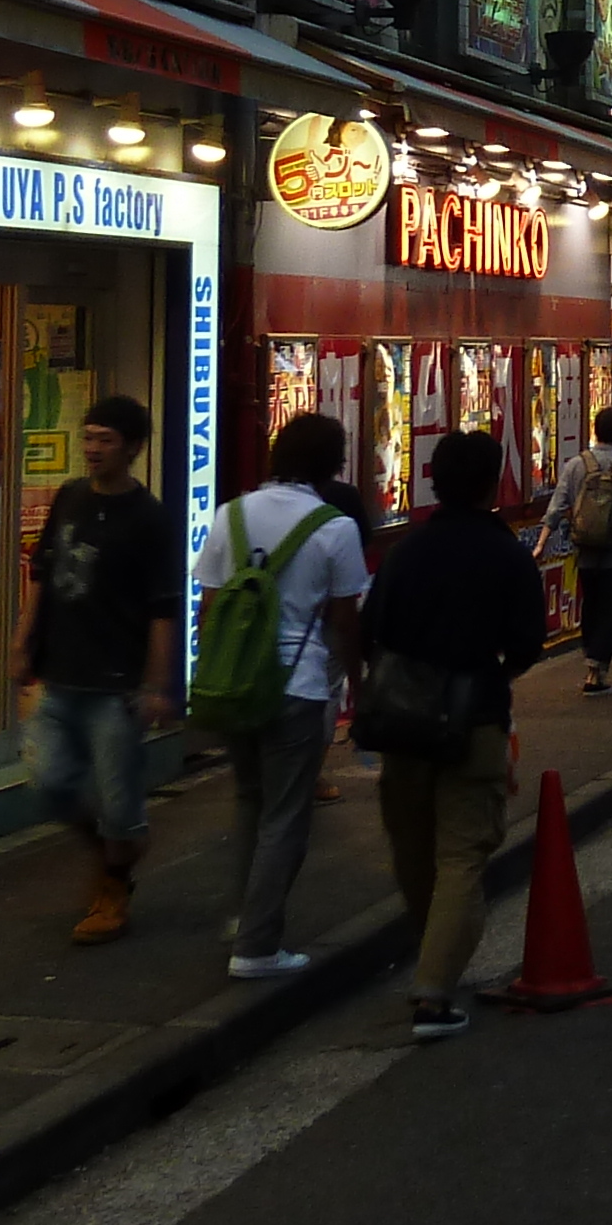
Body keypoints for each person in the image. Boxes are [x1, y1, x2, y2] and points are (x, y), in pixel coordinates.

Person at [360, 428, 546, 1042]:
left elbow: (372, 631)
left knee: (414, 848)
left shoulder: (406, 551)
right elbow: (524, 645)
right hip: (474, 717)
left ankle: (432, 954)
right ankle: (434, 992)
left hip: (402, 720)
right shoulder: (506, 553)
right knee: (463, 853)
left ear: (432, 479)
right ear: (494, 482)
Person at [192, 410, 369, 979]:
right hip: (299, 685)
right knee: (286, 817)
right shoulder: (335, 527)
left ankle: (242, 916)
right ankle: (258, 945)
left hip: (237, 685)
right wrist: (359, 687)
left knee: (250, 802)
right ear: (331, 464)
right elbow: (345, 622)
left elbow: (210, 608)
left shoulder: (230, 515)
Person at [23, 394, 177, 945]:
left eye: (104, 440)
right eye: (88, 437)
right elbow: (41, 574)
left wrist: (156, 687)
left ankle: (115, 884)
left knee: (120, 807)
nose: (92, 449)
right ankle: (113, 857)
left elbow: (163, 609)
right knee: (49, 783)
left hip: (115, 685)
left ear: (134, 448)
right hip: (60, 674)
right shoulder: (68, 498)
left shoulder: (151, 519)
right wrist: (22, 644)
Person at [549, 407, 612, 693]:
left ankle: (589, 661)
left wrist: (542, 540)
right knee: (610, 608)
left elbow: (559, 503)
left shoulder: (576, 465)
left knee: (591, 604)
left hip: (584, 548)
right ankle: (600, 667)